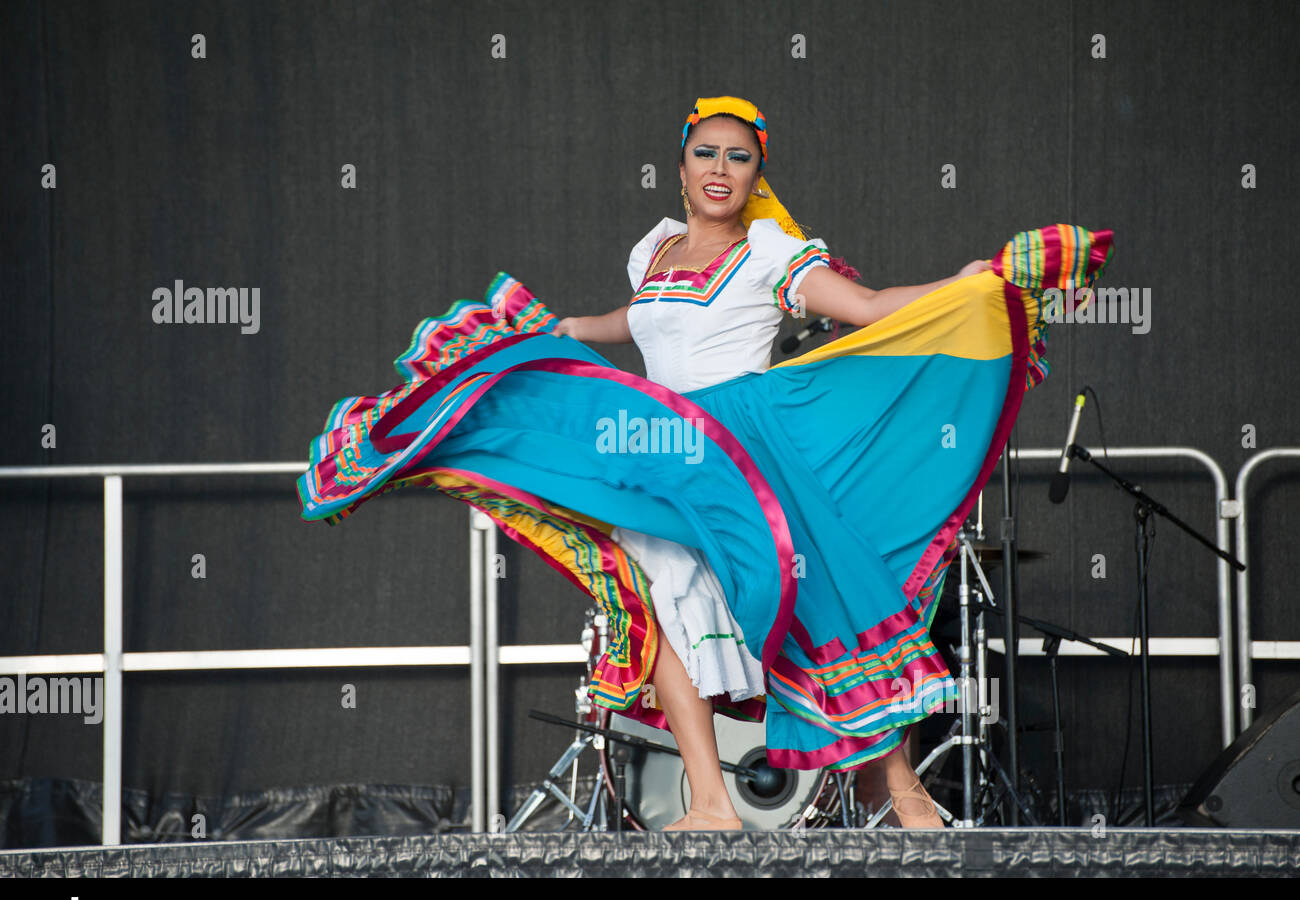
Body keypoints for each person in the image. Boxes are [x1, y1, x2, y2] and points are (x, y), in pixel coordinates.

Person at [297, 95, 1113, 833]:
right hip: (660, 448)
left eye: (739, 157)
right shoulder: (650, 251)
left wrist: (960, 285)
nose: (721, 169)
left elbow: (863, 309)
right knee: (659, 611)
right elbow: (643, 324)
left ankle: (895, 788)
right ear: (681, 167)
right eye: (706, 154)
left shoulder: (770, 251)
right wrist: (562, 333)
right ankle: (711, 801)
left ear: (757, 174)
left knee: (820, 606)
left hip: (744, 449)